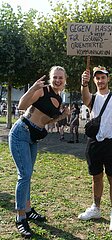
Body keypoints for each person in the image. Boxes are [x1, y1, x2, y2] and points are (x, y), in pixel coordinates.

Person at [8, 66, 69, 239]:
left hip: (33, 138)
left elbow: (48, 121)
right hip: (21, 133)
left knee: (28, 175)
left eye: (61, 78)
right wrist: (33, 88)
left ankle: (27, 209)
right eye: (55, 77)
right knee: (24, 175)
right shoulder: (42, 90)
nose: (58, 80)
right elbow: (21, 106)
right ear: (51, 78)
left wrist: (62, 116)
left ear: (65, 80)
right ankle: (20, 217)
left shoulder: (59, 97)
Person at [78, 66, 112, 233]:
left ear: (108, 78)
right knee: (96, 177)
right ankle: (96, 207)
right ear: (94, 80)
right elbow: (85, 97)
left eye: (103, 77)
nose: (100, 81)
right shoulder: (92, 98)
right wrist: (83, 83)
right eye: (97, 78)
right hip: (95, 144)